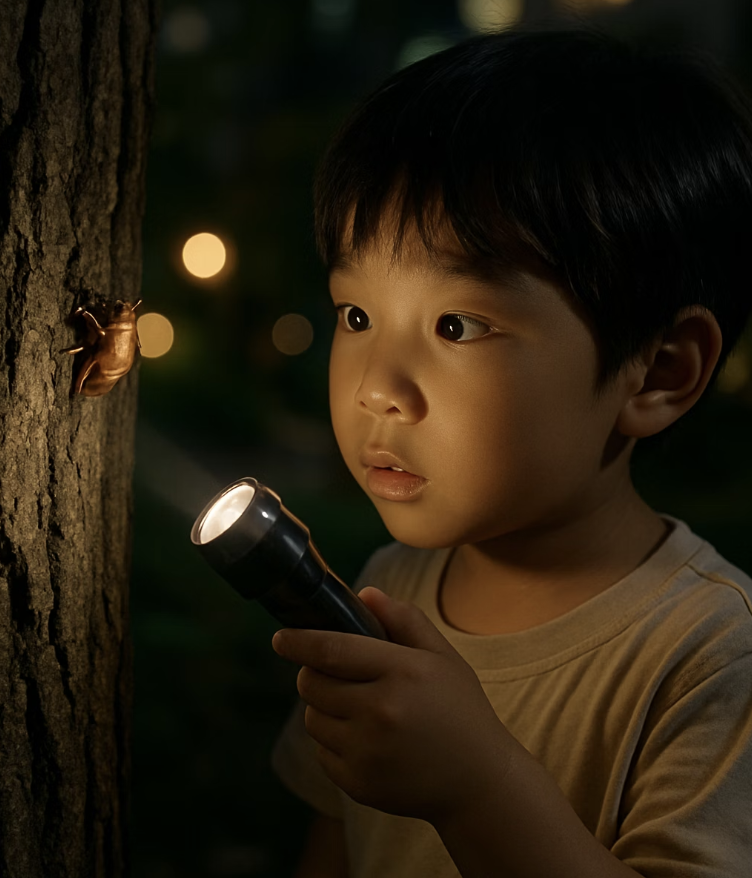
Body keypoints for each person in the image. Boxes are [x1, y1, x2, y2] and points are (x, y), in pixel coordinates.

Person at [269, 21, 752, 878]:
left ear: (659, 373)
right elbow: (337, 845)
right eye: (356, 315)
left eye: (456, 324)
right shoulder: (391, 592)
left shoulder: (713, 657)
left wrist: (475, 788)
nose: (378, 386)